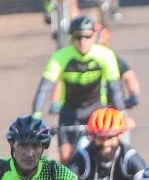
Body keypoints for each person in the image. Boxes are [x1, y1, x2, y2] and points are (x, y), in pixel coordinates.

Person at [32, 15, 126, 164]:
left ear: (94, 36)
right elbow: (44, 88)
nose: (83, 41)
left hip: (96, 109)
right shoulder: (60, 57)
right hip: (69, 111)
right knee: (66, 157)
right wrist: (35, 118)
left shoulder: (105, 55)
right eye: (78, 37)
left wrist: (119, 113)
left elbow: (115, 88)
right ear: (72, 38)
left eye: (87, 36)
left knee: (106, 151)